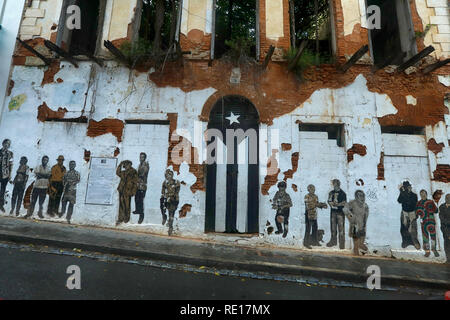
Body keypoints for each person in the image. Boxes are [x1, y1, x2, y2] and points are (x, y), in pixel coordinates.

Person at [343, 190, 369, 256]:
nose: (362, 197)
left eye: (363, 196)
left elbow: (366, 214)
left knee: (362, 236)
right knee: (356, 237)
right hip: (355, 224)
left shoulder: (365, 205)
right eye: (360, 196)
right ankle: (356, 249)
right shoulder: (352, 203)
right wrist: (351, 217)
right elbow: (345, 209)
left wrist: (364, 223)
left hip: (362, 224)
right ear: (356, 197)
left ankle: (361, 245)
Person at [416, 190, 439, 258]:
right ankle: (427, 251)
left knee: (433, 236)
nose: (423, 195)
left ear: (426, 194)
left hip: (431, 222)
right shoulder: (418, 203)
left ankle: (434, 250)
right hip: (423, 223)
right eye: (421, 194)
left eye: (424, 193)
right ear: (420, 195)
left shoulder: (430, 202)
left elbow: (436, 210)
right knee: (425, 237)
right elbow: (416, 213)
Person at [397, 181, 420, 249]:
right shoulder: (403, 193)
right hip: (404, 212)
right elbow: (399, 200)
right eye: (406, 187)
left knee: (413, 228)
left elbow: (414, 203)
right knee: (404, 228)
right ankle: (405, 242)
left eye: (408, 187)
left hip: (412, 212)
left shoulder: (414, 195)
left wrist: (416, 213)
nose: (407, 188)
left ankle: (415, 242)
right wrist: (402, 192)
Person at [304, 184, 327, 249]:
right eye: (311, 189)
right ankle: (306, 243)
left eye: (314, 189)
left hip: (314, 214)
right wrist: (317, 205)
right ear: (308, 190)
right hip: (308, 214)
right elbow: (308, 206)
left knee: (314, 229)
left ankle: (315, 242)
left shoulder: (315, 196)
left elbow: (317, 203)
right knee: (308, 230)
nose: (313, 190)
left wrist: (322, 205)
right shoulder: (306, 196)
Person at [116, 160, 138, 225]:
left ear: (129, 165)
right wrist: (120, 165)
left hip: (128, 190)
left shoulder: (133, 172)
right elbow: (117, 173)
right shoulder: (123, 172)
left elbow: (135, 182)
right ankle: (120, 218)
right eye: (124, 165)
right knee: (121, 205)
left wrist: (133, 191)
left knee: (127, 205)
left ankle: (126, 218)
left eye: (126, 165)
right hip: (121, 190)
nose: (125, 166)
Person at [327, 179, 347, 249]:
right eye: (333, 184)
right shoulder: (331, 193)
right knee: (333, 228)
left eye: (335, 184)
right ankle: (333, 241)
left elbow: (344, 203)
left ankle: (342, 244)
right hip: (333, 212)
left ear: (338, 184)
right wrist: (331, 204)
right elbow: (329, 200)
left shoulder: (343, 193)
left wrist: (337, 205)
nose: (334, 186)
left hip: (340, 213)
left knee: (341, 229)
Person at [161, 169, 180, 236]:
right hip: (167, 199)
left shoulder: (176, 182)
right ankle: (164, 216)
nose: (168, 176)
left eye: (169, 175)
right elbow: (163, 191)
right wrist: (165, 196)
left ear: (172, 175)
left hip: (173, 200)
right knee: (162, 203)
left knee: (171, 213)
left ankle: (170, 227)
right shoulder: (165, 183)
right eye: (166, 175)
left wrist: (170, 196)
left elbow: (176, 192)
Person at [133, 153, 149, 224]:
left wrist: (136, 175)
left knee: (141, 201)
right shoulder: (140, 165)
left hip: (142, 185)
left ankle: (141, 215)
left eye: (142, 157)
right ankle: (137, 210)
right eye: (140, 157)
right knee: (136, 198)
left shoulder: (145, 165)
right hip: (138, 185)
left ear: (145, 158)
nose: (140, 158)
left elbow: (142, 174)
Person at [0, 139, 13, 213]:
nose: (6, 145)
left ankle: (1, 205)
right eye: (5, 143)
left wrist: (10, 174)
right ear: (3, 143)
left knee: (3, 190)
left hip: (5, 174)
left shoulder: (10, 153)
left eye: (8, 144)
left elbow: (11, 165)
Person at [439, 194, 450, 263]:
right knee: (447, 244)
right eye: (447, 198)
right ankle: (448, 259)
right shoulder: (441, 207)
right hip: (445, 228)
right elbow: (441, 217)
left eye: (449, 198)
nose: (448, 199)